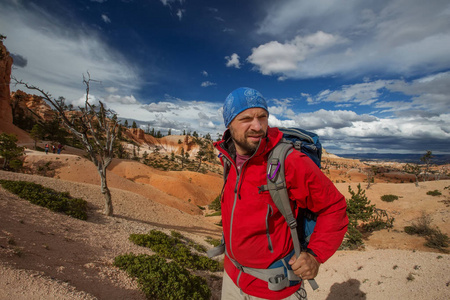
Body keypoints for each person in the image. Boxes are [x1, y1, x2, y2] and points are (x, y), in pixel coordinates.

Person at [215, 87, 348, 300]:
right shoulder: (228, 159)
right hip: (232, 279)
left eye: (263, 117)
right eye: (246, 119)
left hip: (274, 288)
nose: (257, 126)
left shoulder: (290, 161)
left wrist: (315, 256)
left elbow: (333, 206)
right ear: (229, 124)